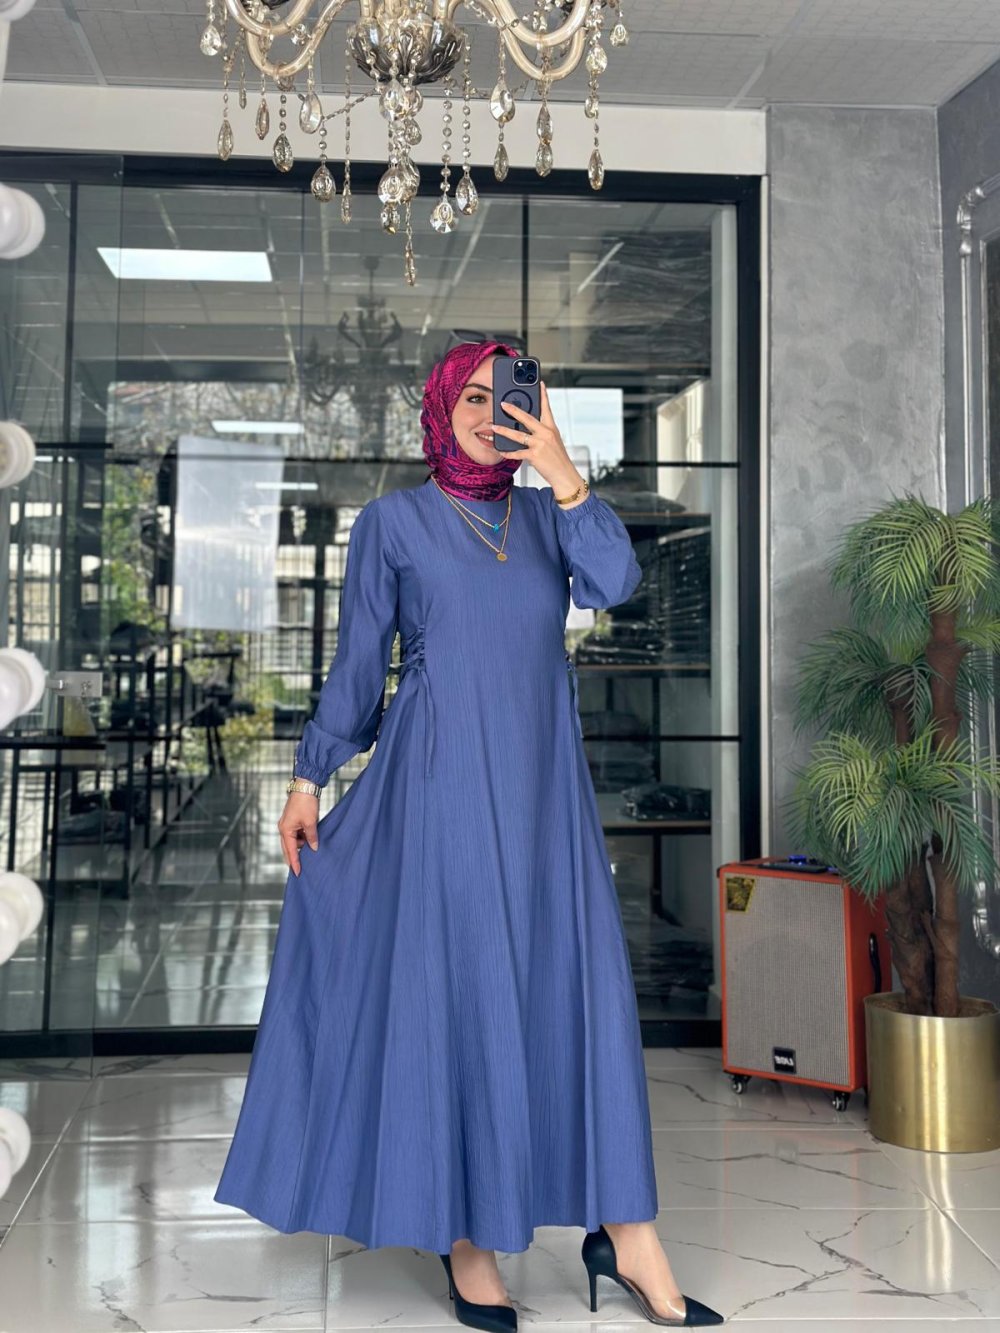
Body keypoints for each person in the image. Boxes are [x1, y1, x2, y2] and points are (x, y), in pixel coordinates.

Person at [214, 341, 724, 1331]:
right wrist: (310, 776)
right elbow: (358, 667)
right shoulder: (394, 523)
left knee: (576, 994)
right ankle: (467, 1235)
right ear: (442, 409)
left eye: (512, 398)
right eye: (475, 398)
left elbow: (616, 581)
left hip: (545, 796)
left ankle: (627, 1230)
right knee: (465, 993)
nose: (494, 414)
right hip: (440, 787)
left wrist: (564, 473)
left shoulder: (549, 515)